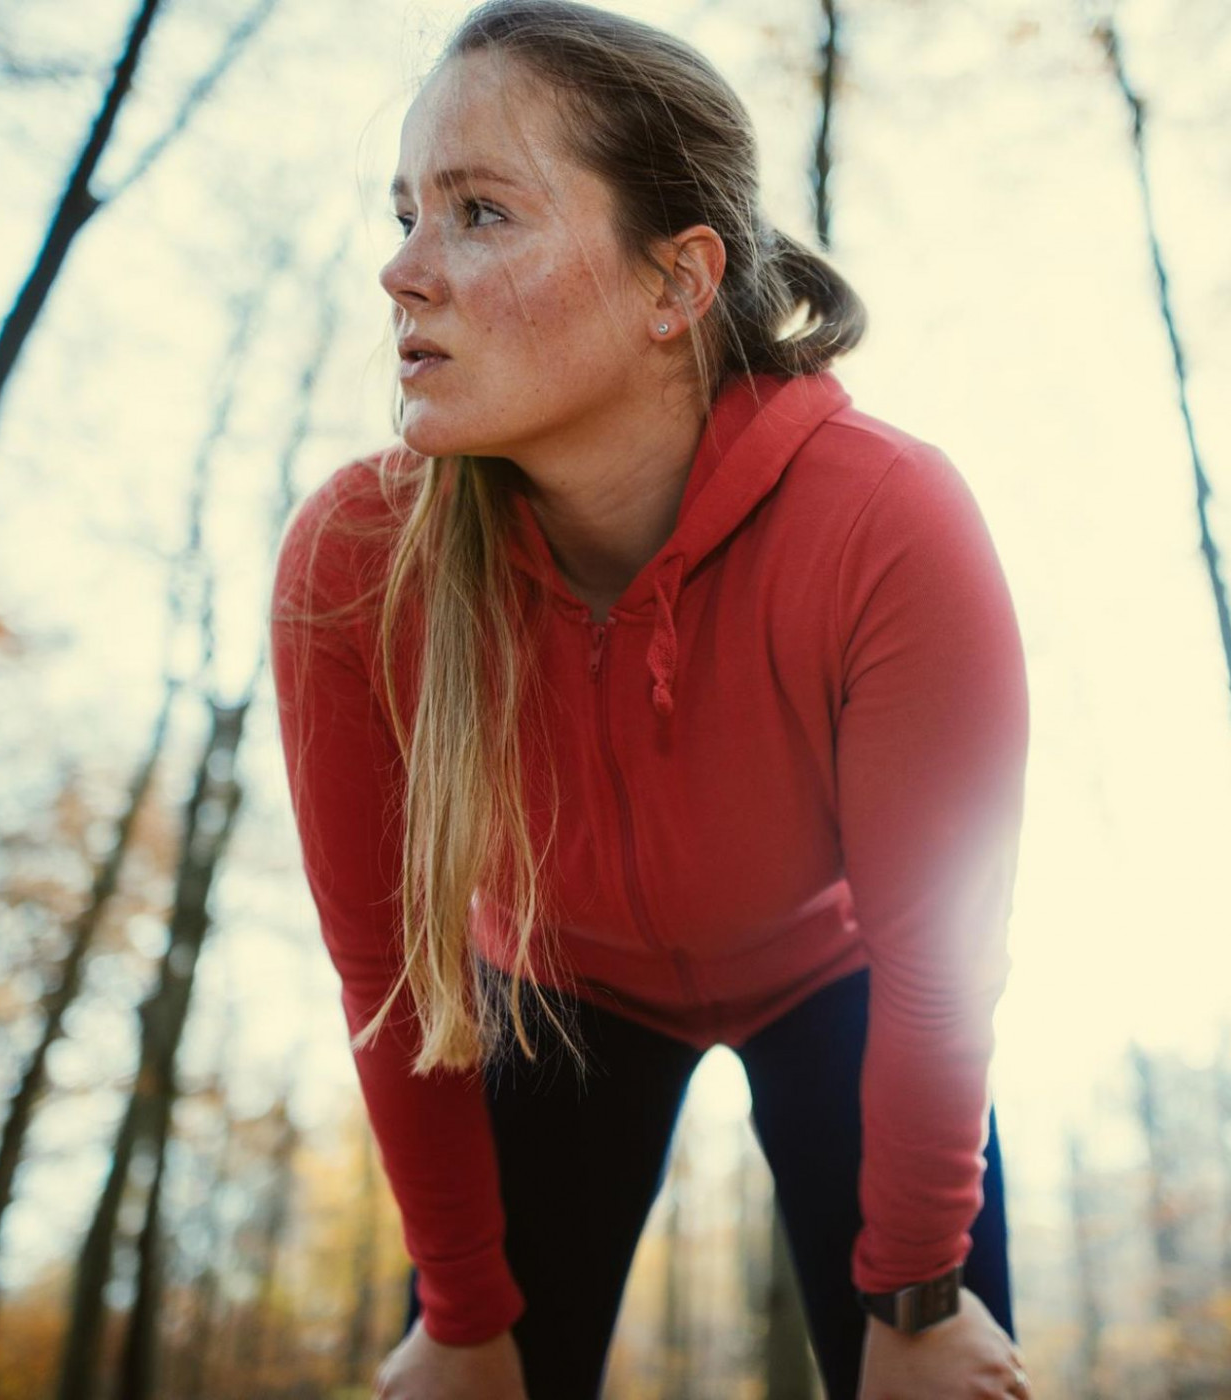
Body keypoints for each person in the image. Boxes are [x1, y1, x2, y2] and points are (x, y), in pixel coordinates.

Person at [268, 1, 1033, 1396]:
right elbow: (392, 977)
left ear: (675, 284)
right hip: (553, 991)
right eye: (404, 213)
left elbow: (941, 953)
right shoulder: (355, 563)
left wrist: (922, 1298)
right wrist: (457, 1313)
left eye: (480, 212)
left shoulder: (885, 521)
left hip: (840, 978)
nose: (399, 271)